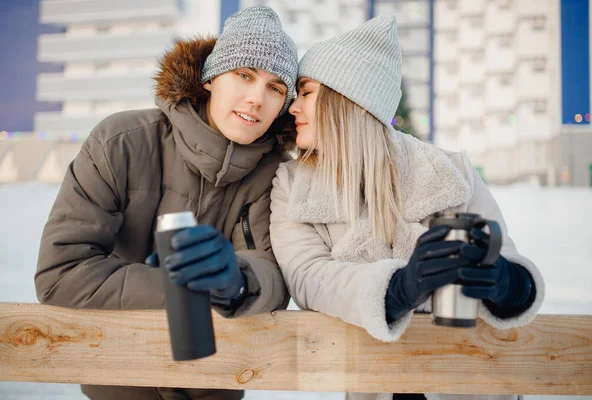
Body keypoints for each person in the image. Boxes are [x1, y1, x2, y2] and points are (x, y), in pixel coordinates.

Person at [269, 14, 544, 400]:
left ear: (349, 100)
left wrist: (506, 282)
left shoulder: (450, 172)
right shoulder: (293, 185)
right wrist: (398, 288)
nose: (293, 107)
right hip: (374, 383)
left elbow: (513, 271)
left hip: (468, 383)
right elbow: (307, 277)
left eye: (307, 91)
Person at [35, 6, 297, 400]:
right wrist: (183, 288)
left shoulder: (277, 173)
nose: (256, 98)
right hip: (119, 385)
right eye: (244, 75)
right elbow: (61, 272)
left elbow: (275, 274)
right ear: (211, 77)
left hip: (217, 385)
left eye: (276, 88)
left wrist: (239, 283)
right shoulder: (120, 142)